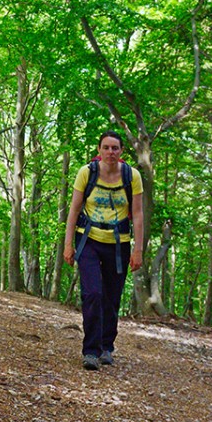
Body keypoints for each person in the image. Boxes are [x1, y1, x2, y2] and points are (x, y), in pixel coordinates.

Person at [62, 131, 144, 371]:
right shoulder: (87, 173)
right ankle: (90, 350)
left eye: (115, 148)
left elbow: (138, 214)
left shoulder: (132, 176)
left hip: (119, 243)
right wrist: (68, 245)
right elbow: (74, 210)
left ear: (121, 152)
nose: (110, 152)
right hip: (88, 239)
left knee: (111, 297)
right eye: (106, 148)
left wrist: (138, 250)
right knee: (93, 293)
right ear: (99, 150)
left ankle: (107, 346)